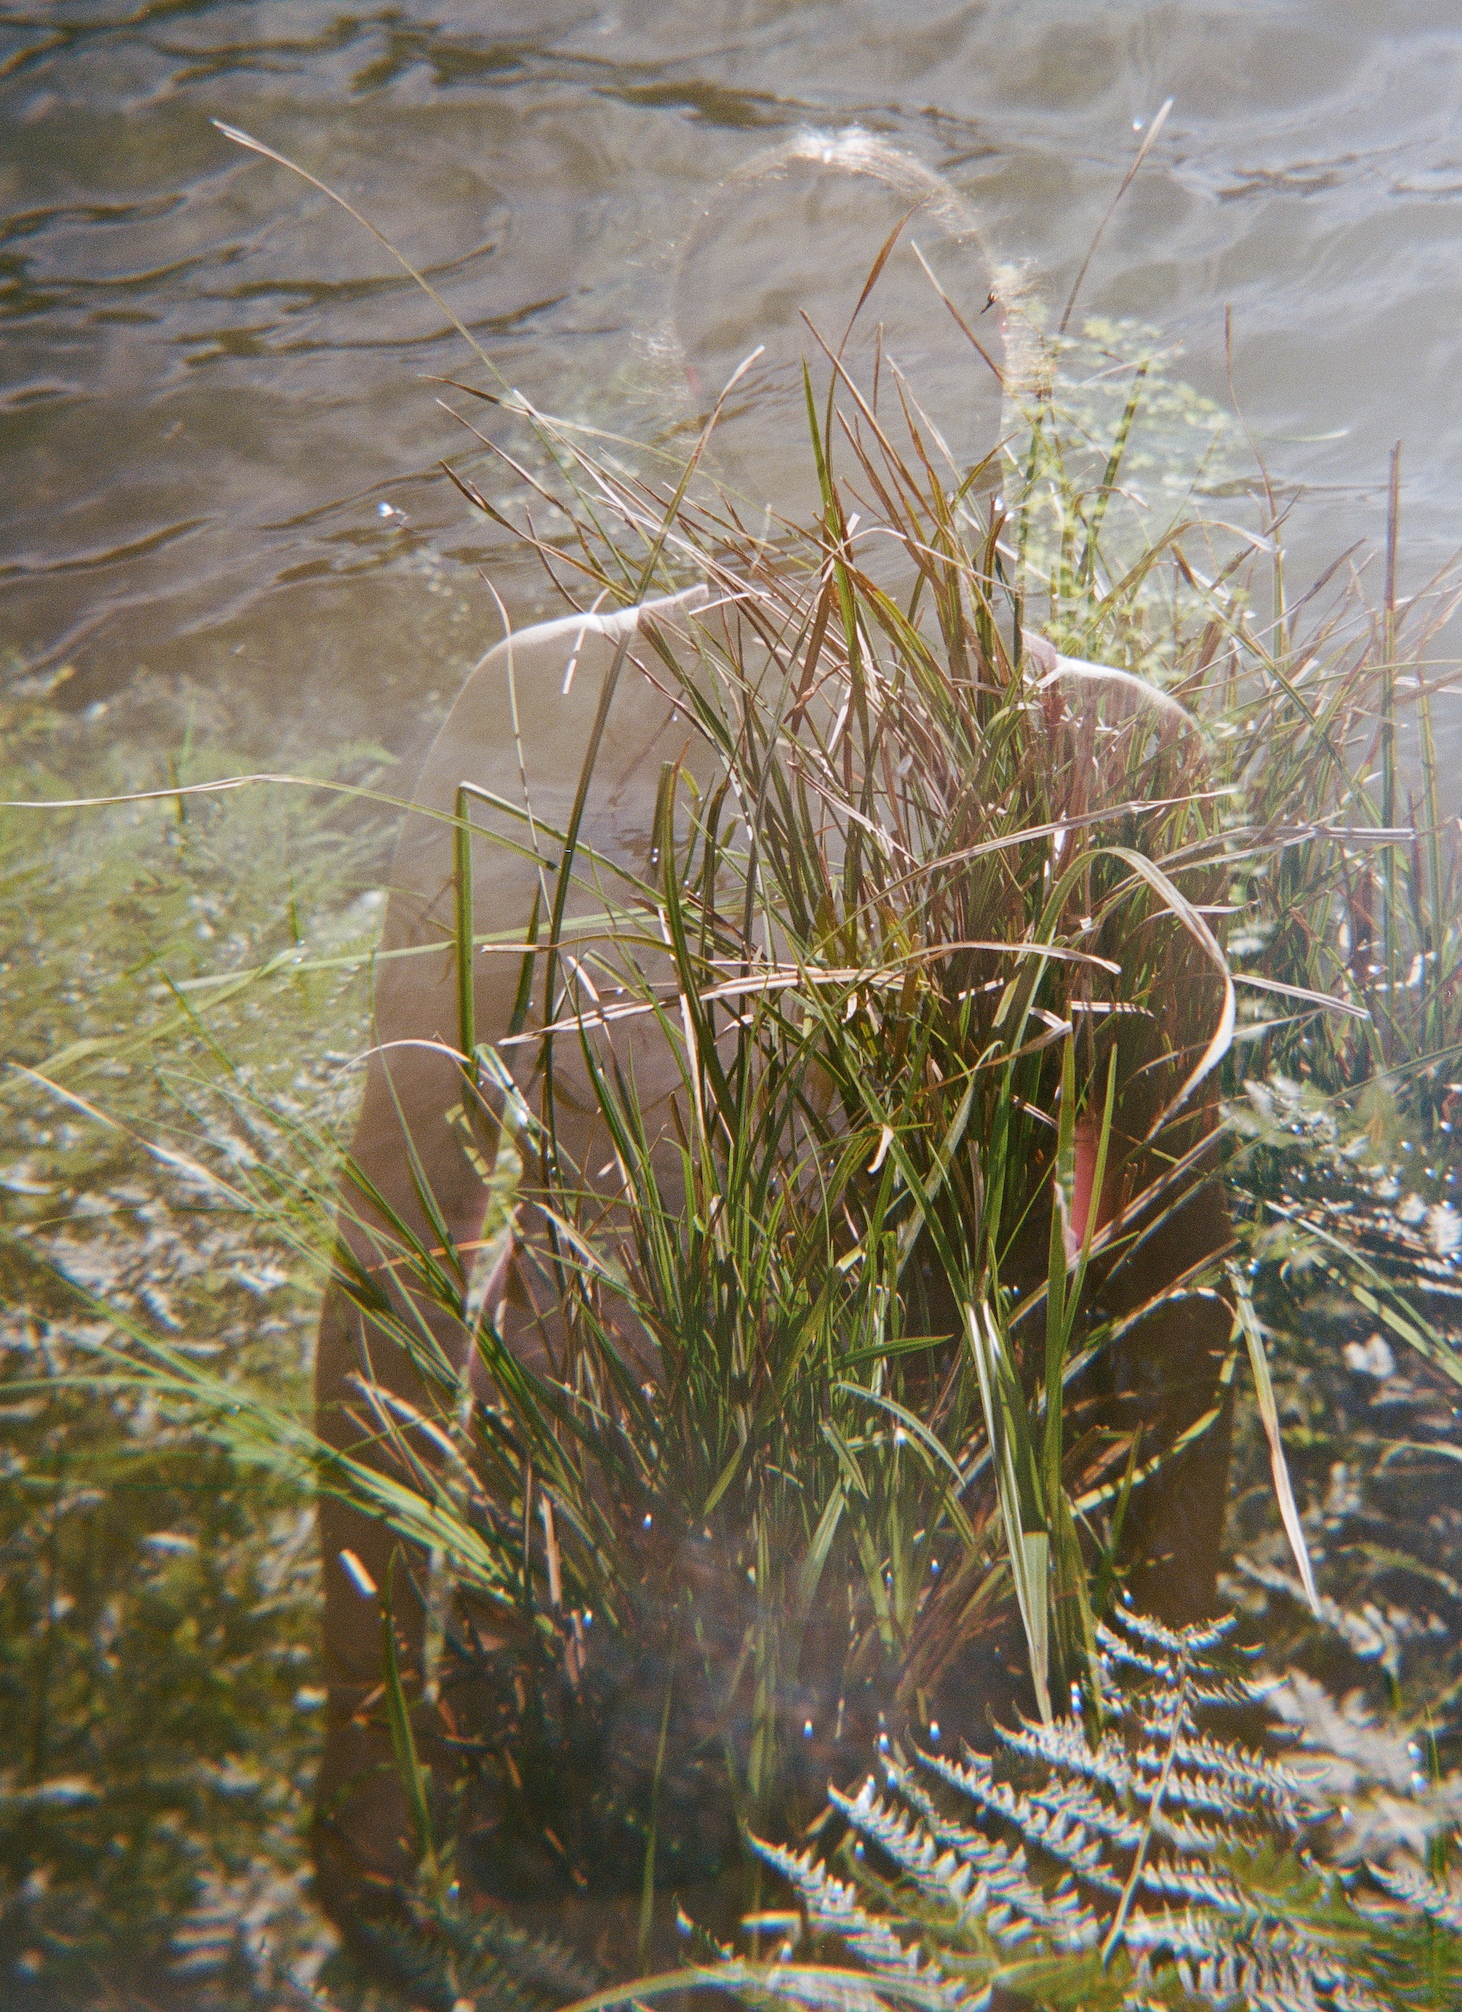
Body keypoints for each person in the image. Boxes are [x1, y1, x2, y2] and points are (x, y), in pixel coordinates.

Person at [309, 133, 1236, 1942]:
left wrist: (1171, 1770)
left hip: (966, 1681)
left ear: (1002, 372)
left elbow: (1179, 1311)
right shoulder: (544, 715)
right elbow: (399, 1249)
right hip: (573, 1622)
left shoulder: (1108, 752)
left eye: (881, 318)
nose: (806, 372)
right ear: (678, 395)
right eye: (748, 322)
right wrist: (361, 1725)